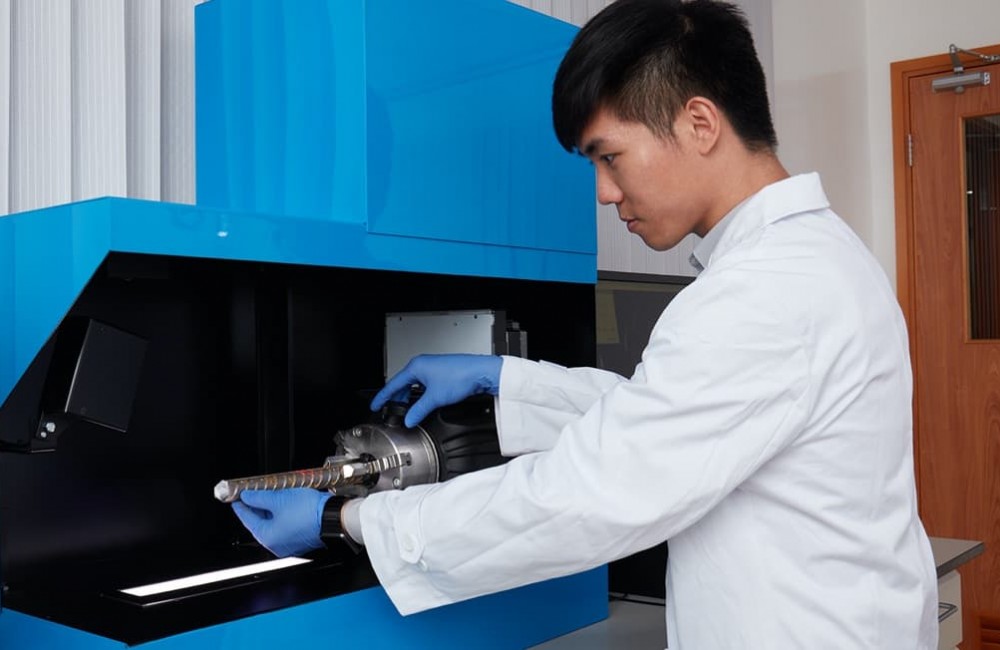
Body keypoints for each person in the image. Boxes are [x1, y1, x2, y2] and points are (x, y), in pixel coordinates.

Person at [231, 0, 939, 647]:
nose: (604, 192)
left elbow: (589, 494)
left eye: (610, 156)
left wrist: (346, 520)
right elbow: (667, 419)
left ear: (700, 123)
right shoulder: (810, 258)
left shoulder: (765, 291)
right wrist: (505, 380)